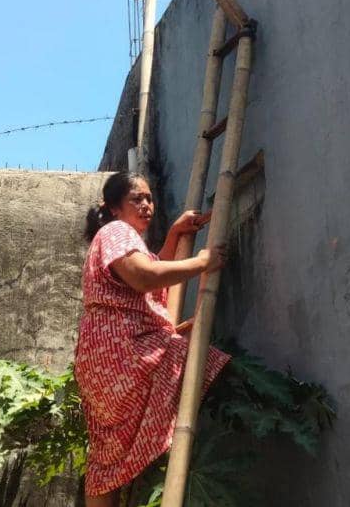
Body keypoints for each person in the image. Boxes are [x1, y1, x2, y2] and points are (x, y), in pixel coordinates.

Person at [75, 171, 231, 506]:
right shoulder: (116, 231)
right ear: (114, 208)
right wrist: (202, 261)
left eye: (149, 198)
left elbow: (153, 270)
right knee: (199, 359)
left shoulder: (115, 239)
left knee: (108, 454)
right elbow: (145, 277)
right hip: (123, 353)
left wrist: (174, 234)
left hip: (99, 364)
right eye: (137, 199)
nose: (147, 205)